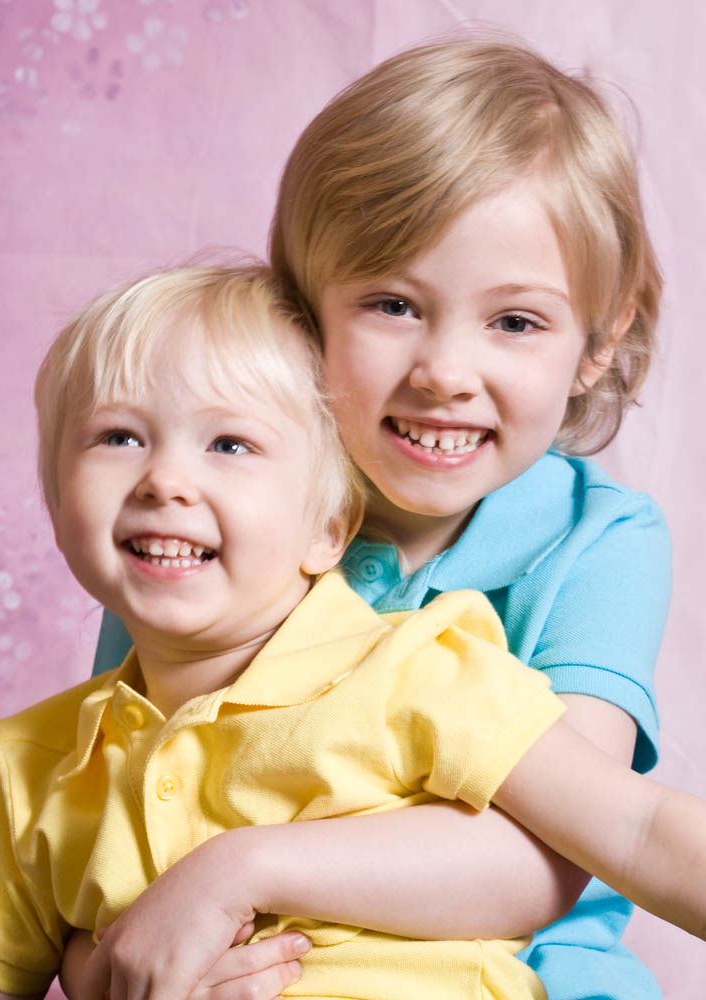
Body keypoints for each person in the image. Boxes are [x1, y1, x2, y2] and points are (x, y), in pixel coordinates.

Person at [0, 265, 706, 1000]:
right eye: (119, 437)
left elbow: (637, 827)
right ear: (56, 502)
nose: (165, 480)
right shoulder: (33, 761)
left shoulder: (416, 668)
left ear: (330, 530)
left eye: (230, 445)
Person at [85, 37, 672, 1000]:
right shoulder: (202, 513)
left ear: (599, 342)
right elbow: (105, 827)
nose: (445, 373)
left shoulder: (597, 544)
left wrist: (242, 868)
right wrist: (119, 964)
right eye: (393, 304)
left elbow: (555, 852)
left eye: (515, 321)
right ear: (300, 316)